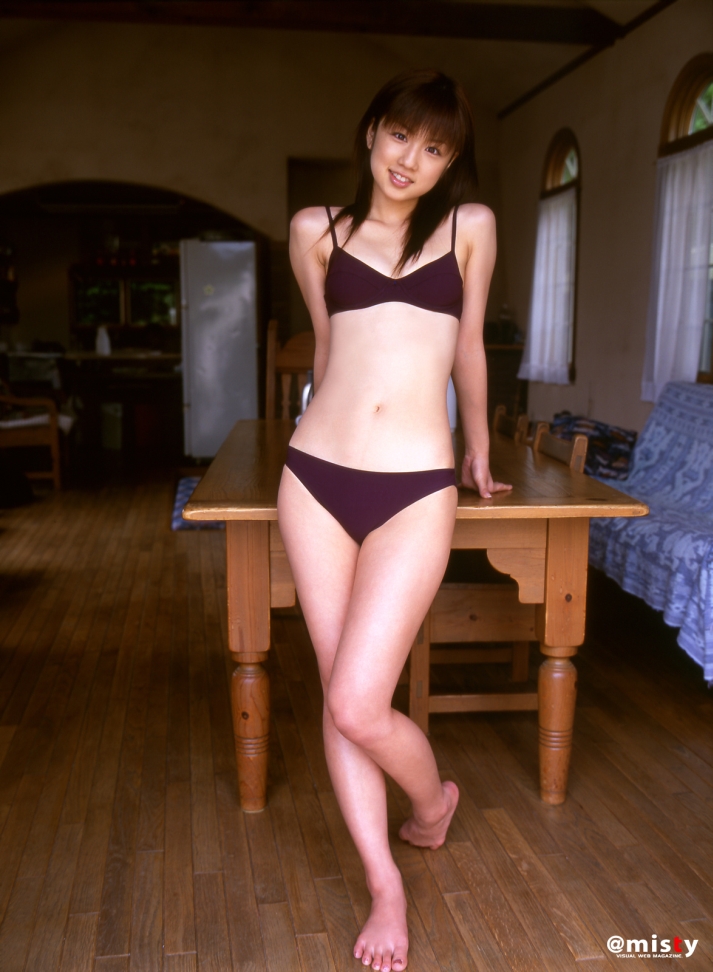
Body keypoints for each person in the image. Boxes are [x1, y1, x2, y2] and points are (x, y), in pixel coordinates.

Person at [277, 69, 511, 971]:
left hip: (415, 484)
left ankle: (432, 802)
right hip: (315, 478)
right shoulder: (316, 230)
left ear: (450, 162)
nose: (412, 159)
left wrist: (477, 447)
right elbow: (328, 350)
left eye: (436, 148)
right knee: (339, 700)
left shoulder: (468, 227)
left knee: (357, 702)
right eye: (402, 135)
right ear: (372, 131)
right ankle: (385, 884)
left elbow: (468, 346)